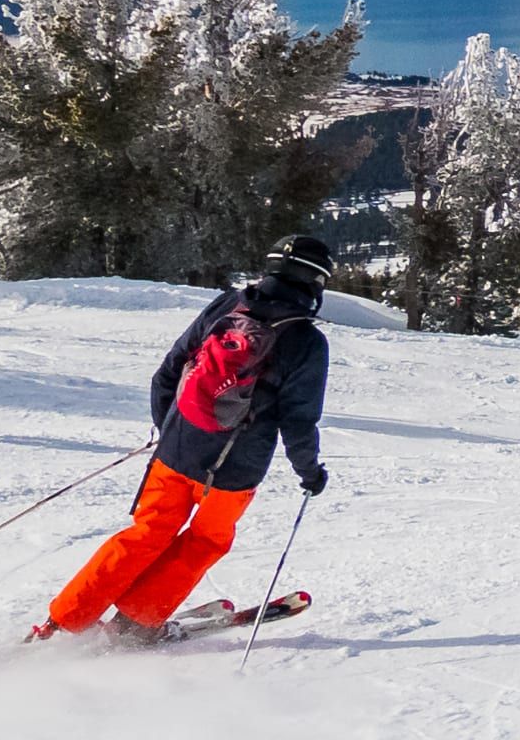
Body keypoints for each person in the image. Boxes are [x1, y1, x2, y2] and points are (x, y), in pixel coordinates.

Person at [30, 235, 335, 644]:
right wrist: (310, 472)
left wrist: (169, 429)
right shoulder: (307, 341)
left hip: (174, 450)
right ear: (316, 282)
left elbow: (170, 369)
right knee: (205, 539)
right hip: (232, 472)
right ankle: (135, 625)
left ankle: (62, 620)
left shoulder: (229, 305)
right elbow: (298, 422)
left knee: (146, 533)